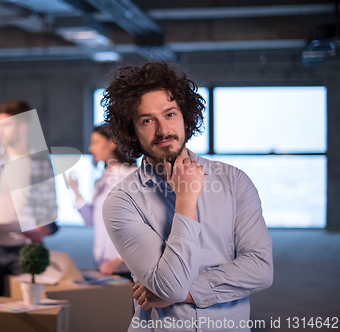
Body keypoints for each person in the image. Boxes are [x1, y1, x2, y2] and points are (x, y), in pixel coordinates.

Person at [101, 62, 273, 331]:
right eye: (147, 120)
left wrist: (186, 293)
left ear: (185, 116)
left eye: (170, 114)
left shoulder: (234, 181)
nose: (162, 130)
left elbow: (261, 270)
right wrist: (186, 200)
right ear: (131, 129)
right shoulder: (122, 201)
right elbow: (170, 286)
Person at [0, 99, 58, 300]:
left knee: (27, 316)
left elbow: (51, 211)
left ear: (23, 127)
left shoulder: (40, 161)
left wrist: (45, 228)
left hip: (27, 251)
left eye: (5, 126)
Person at [68, 124, 136, 281]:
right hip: (103, 267)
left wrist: (120, 259)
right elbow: (91, 220)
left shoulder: (131, 176)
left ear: (112, 142)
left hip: (125, 269)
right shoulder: (102, 180)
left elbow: (140, 224)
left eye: (96, 142)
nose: (91, 148)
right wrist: (76, 192)